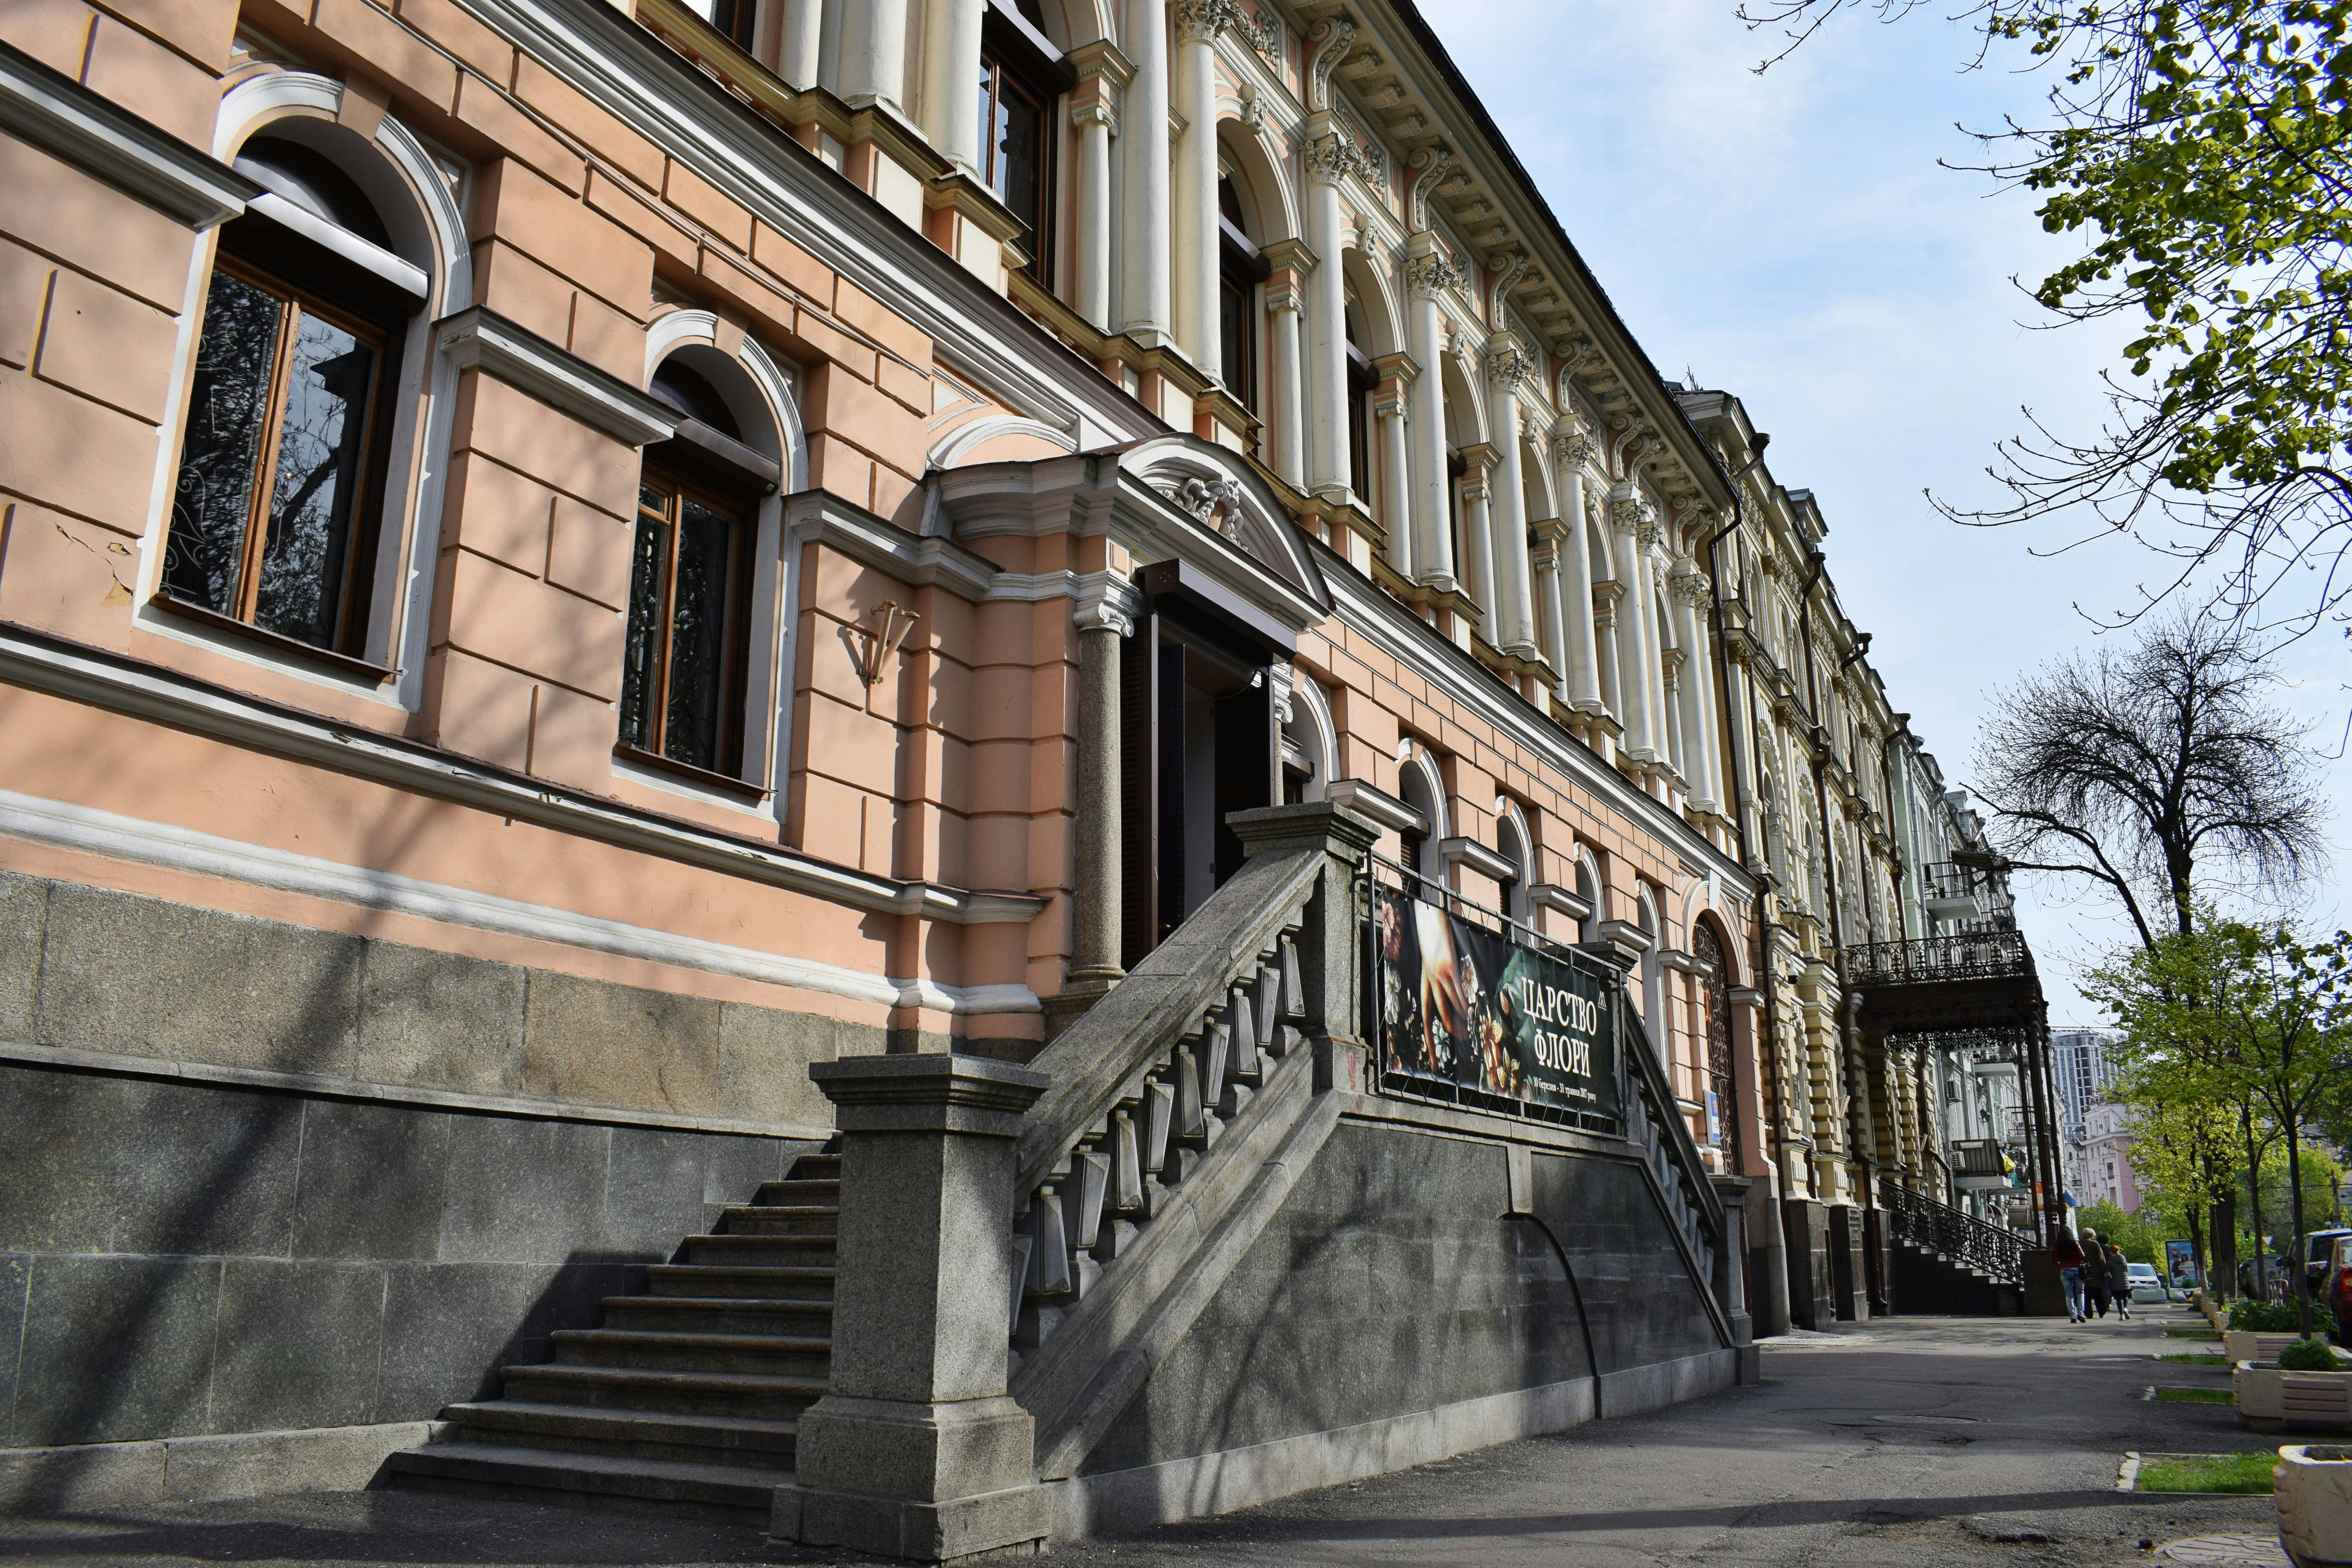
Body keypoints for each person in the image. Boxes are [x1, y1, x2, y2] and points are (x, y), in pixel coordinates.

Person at [2055, 1227, 2088, 1322]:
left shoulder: (2058, 1244)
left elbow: (2055, 1258)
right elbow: (2082, 1255)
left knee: (2069, 1294)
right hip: (2077, 1269)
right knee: (2080, 1292)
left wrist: (2060, 1266)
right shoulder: (2075, 1242)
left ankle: (2073, 1316)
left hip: (2064, 1270)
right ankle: (2080, 1313)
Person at [2080, 1228, 2110, 1319]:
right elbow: (2101, 1260)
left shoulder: (2079, 1243)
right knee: (2098, 1293)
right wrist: (2105, 1272)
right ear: (2092, 1235)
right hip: (2096, 1272)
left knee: (2086, 1294)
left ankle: (2088, 1313)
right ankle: (2101, 1311)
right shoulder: (2094, 1244)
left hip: (2083, 1271)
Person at [2106, 1242, 2133, 1321]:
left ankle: (2121, 1316)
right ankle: (2125, 1308)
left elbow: (2109, 1271)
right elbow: (2126, 1269)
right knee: (2125, 1297)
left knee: (2118, 1299)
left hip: (2115, 1283)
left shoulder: (2110, 1260)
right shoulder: (2123, 1258)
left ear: (2111, 1251)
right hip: (2125, 1281)